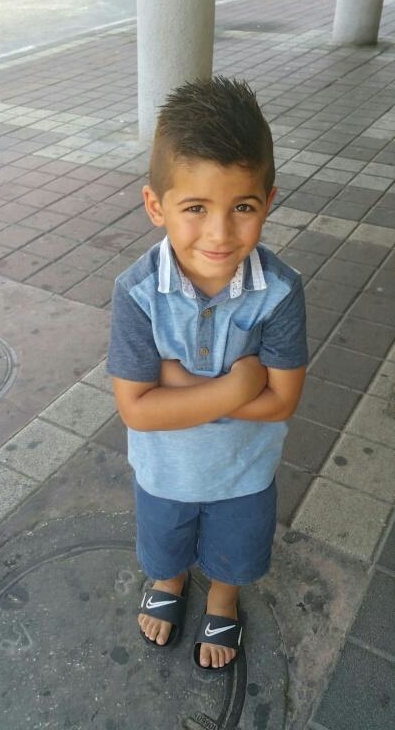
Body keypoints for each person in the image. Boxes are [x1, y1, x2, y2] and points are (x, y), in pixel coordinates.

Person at [106, 77, 307, 673]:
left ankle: (223, 598)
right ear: (156, 206)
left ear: (268, 201)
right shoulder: (138, 292)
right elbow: (136, 410)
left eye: (242, 207)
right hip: (163, 469)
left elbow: (282, 403)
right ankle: (169, 582)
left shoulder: (280, 291)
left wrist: (181, 386)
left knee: (236, 548)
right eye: (195, 208)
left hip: (244, 471)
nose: (220, 233)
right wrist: (238, 385)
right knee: (164, 540)